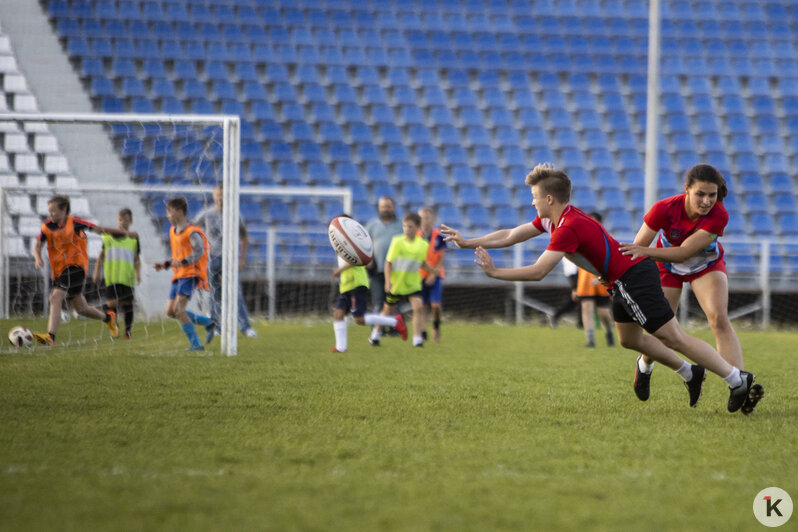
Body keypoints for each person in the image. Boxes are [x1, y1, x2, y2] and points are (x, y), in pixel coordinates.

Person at [441, 163, 764, 414]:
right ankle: (689, 373)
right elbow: (510, 234)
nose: (533, 202)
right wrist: (469, 241)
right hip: (624, 280)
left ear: (549, 199)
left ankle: (737, 379)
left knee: (673, 336)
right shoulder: (556, 220)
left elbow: (539, 272)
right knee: (629, 340)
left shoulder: (566, 228)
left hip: (634, 279)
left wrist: (496, 273)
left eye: (535, 197)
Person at [618, 164, 750, 404]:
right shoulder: (663, 209)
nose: (707, 201)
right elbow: (635, 250)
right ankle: (644, 365)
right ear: (687, 189)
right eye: (700, 194)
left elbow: (684, 252)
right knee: (661, 332)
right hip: (666, 267)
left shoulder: (719, 214)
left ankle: (739, 383)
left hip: (705, 265)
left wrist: (644, 252)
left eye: (712, 195)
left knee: (718, 318)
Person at [32, 195, 125, 345]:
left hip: (76, 267)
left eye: (53, 211)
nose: (51, 214)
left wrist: (121, 232)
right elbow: (37, 246)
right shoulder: (47, 226)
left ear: (63, 210)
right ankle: (108, 319)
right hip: (60, 271)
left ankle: (50, 337)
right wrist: (38, 258)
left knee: (55, 297)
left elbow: (98, 229)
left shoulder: (74, 223)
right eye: (49, 211)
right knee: (81, 308)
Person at [331, 216, 407, 353]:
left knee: (359, 319)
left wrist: (339, 270)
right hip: (346, 285)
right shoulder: (341, 242)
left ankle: (395, 321)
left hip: (356, 283)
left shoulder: (354, 242)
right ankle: (341, 347)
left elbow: (357, 258)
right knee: (338, 313)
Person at [194, 184, 258, 338]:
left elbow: (244, 237)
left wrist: (242, 258)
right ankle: (217, 327)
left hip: (229, 258)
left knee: (236, 293)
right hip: (211, 259)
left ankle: (245, 327)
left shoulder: (234, 214)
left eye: (223, 194)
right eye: (218, 194)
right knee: (214, 294)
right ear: (214, 196)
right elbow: (192, 230)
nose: (220, 197)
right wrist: (198, 250)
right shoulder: (207, 214)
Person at [369, 213, 440, 348]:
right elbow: (388, 263)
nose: (407, 229)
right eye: (405, 226)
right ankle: (375, 336)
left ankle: (417, 339)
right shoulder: (397, 241)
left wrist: (433, 270)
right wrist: (388, 282)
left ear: (417, 227)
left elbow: (421, 263)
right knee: (387, 310)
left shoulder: (423, 244)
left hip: (413, 283)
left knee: (418, 307)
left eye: (410, 227)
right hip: (397, 284)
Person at [154, 197, 215, 351]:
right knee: (170, 312)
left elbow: (199, 251)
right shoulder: (172, 231)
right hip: (178, 275)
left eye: (170, 212)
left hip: (190, 274)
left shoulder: (192, 232)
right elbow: (178, 255)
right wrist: (165, 264)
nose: (167, 215)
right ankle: (208, 322)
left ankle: (196, 344)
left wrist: (183, 262)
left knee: (179, 310)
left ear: (180, 212)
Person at [92, 208, 141, 339]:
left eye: (125, 219)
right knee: (111, 304)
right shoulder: (108, 237)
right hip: (112, 276)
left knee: (127, 304)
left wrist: (138, 273)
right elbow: (100, 256)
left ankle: (128, 331)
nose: (122, 222)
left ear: (130, 221)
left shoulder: (134, 239)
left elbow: (137, 258)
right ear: (117, 221)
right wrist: (96, 272)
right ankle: (114, 326)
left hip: (127, 277)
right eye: (120, 219)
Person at [575, 213, 614, 348]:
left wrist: (601, 278)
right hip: (585, 281)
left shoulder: (605, 240)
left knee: (603, 313)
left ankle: (609, 331)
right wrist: (574, 286)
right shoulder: (579, 239)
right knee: (587, 309)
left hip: (601, 281)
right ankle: (590, 340)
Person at [364, 196, 403, 313]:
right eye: (383, 207)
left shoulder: (401, 225)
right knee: (378, 301)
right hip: (376, 270)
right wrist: (369, 261)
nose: (385, 209)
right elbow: (364, 243)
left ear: (394, 207)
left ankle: (394, 330)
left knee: (394, 302)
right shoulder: (372, 225)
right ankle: (378, 330)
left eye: (388, 206)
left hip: (396, 270)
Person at [418, 206, 447, 342]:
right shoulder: (415, 236)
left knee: (435, 305)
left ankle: (436, 327)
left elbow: (441, 258)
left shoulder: (439, 236)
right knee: (421, 305)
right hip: (419, 275)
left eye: (427, 217)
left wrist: (433, 273)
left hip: (436, 274)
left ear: (433, 219)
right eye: (422, 218)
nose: (425, 220)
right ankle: (422, 331)